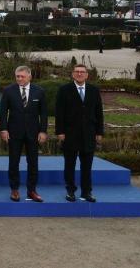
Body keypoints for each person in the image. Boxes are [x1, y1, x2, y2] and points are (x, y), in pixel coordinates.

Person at [56, 64, 104, 202]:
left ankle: (86, 192)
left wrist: (99, 132)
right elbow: (60, 113)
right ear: (72, 74)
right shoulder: (64, 90)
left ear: (87, 75)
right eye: (76, 72)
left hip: (89, 134)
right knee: (69, 165)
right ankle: (70, 191)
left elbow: (99, 113)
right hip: (70, 135)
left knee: (87, 167)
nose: (79, 74)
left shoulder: (94, 90)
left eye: (82, 72)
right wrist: (60, 132)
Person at [0, 65, 48, 202]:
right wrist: (4, 129)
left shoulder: (39, 91)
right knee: (13, 162)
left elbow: (44, 114)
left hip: (34, 133)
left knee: (33, 162)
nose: (19, 79)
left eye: (22, 76)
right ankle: (14, 190)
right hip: (14, 132)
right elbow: (3, 112)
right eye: (17, 76)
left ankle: (32, 190)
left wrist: (43, 131)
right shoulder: (9, 91)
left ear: (29, 77)